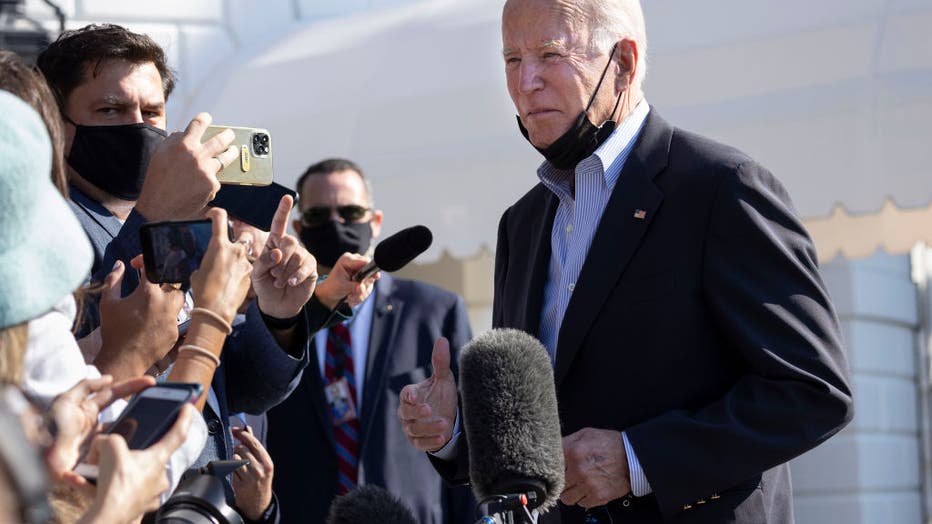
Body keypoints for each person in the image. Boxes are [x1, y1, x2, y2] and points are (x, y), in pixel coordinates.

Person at [398, 1, 854, 522]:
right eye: (511, 59)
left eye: (550, 54)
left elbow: (813, 392)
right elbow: (528, 441)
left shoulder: (720, 187)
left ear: (624, 63)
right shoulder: (521, 224)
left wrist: (637, 460)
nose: (526, 82)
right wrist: (454, 430)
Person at [35, 25, 372, 516]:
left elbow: (240, 385)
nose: (137, 126)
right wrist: (155, 214)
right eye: (110, 110)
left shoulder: (185, 219)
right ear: (60, 126)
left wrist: (277, 318)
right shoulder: (47, 227)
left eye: (150, 112)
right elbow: (93, 350)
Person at [266, 158, 476, 523]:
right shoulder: (279, 318)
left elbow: (470, 440)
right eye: (319, 216)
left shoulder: (435, 311)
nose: (336, 224)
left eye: (350, 211)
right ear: (299, 227)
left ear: (375, 222)